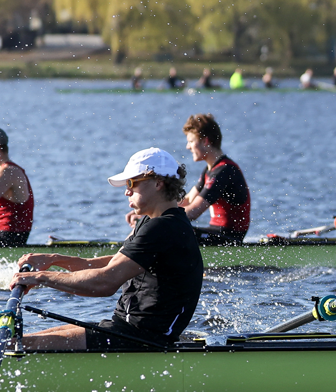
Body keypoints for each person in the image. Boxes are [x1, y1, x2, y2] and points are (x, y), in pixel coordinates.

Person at [11, 148, 205, 351]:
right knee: (21, 341)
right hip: (126, 329)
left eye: (132, 183)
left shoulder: (164, 227)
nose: (126, 191)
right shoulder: (152, 221)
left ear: (158, 182)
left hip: (144, 339)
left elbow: (105, 282)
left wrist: (40, 277)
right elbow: (108, 264)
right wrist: (53, 259)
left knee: (21, 345)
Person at [177, 113, 251, 244]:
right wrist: (152, 212)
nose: (188, 147)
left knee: (178, 230)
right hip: (216, 233)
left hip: (230, 238)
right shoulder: (209, 170)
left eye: (191, 141)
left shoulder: (224, 171)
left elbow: (193, 212)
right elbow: (187, 201)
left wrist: (159, 219)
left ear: (205, 141)